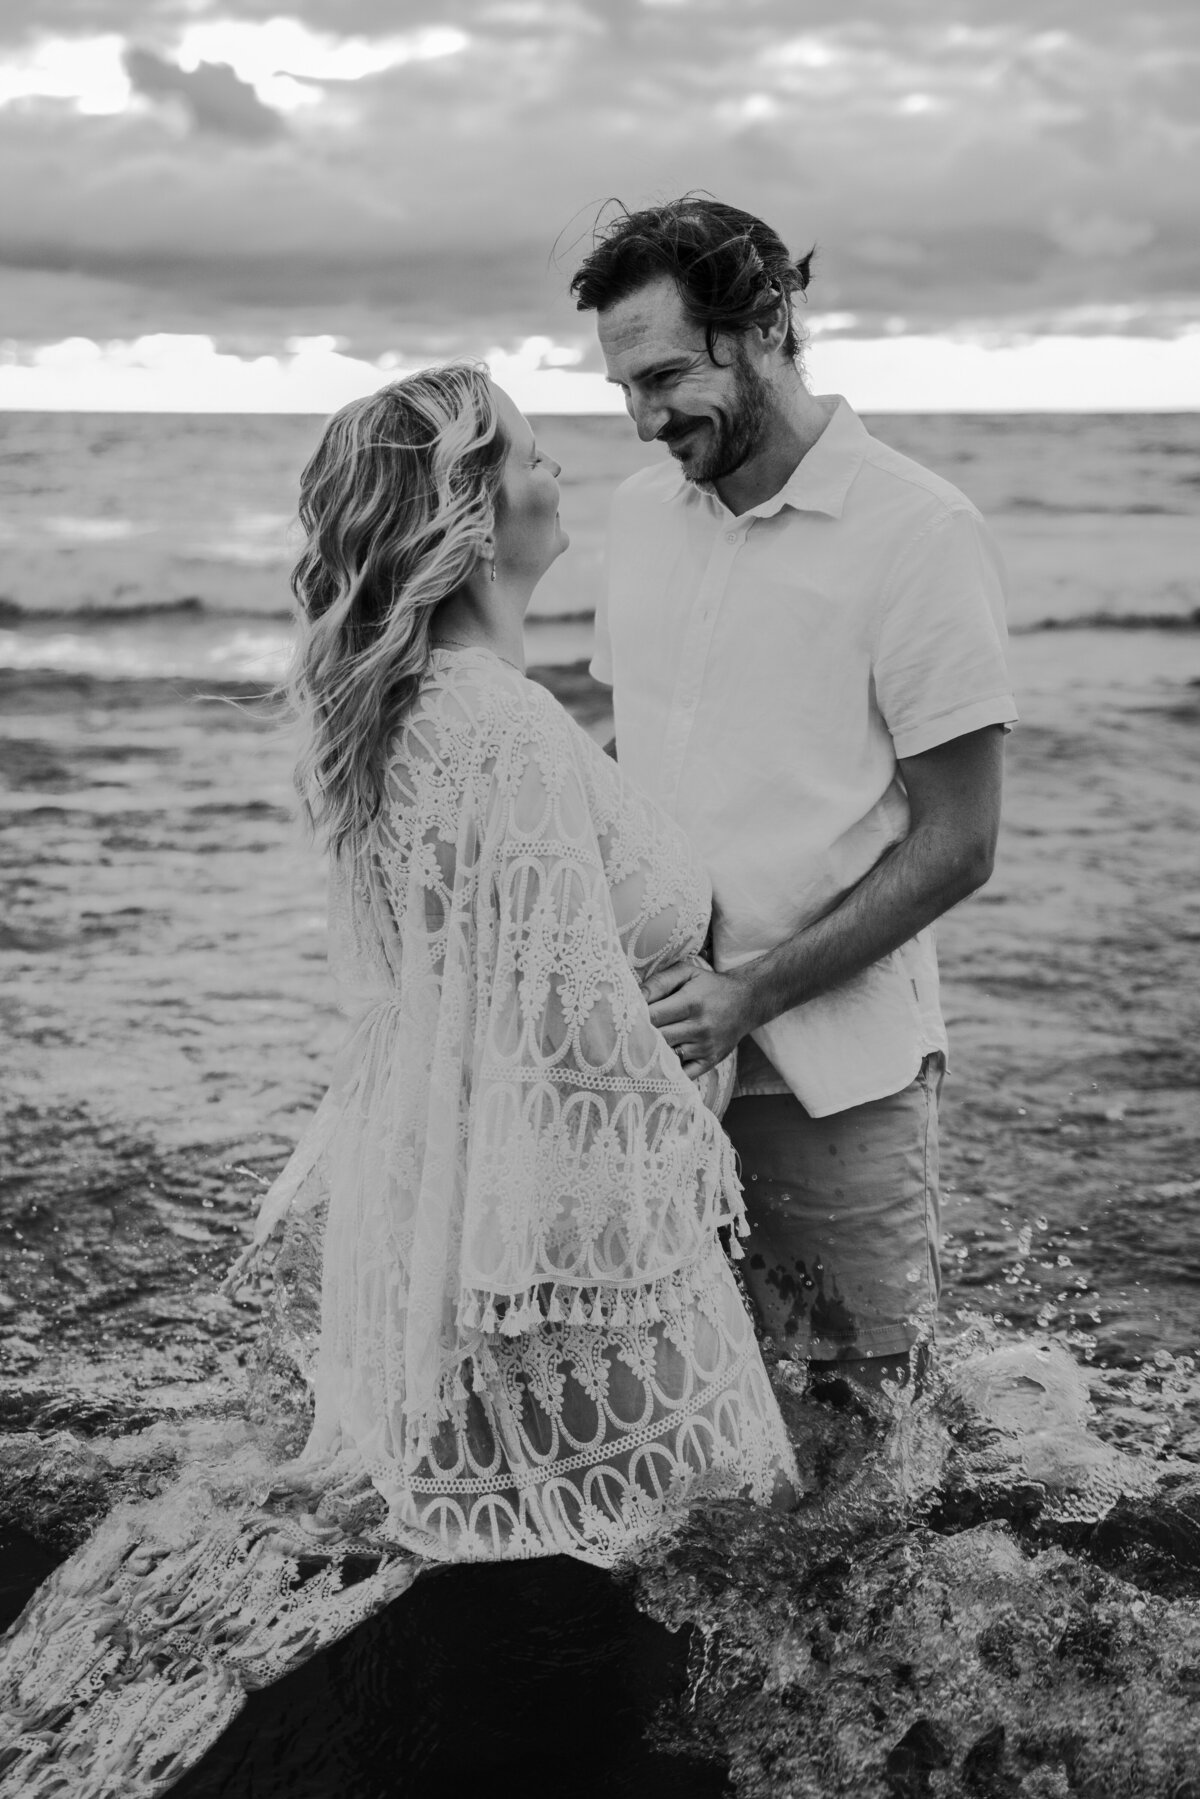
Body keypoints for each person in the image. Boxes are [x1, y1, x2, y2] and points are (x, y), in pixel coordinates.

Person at [0, 363, 796, 1797]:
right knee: (710, 1574)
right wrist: (704, 1148)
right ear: (475, 518)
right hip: (560, 1248)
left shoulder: (419, 715)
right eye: (537, 458)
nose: (568, 478)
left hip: (451, 1214)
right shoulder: (493, 724)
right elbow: (570, 1034)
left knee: (526, 1593)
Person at [571, 199, 1018, 1394]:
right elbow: (640, 772)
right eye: (623, 386)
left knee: (872, 1420)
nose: (645, 417)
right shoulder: (634, 518)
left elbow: (963, 842)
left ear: (765, 324)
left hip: (840, 1067)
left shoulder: (919, 531)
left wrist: (751, 991)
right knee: (680, 1399)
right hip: (658, 1061)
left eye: (666, 374)